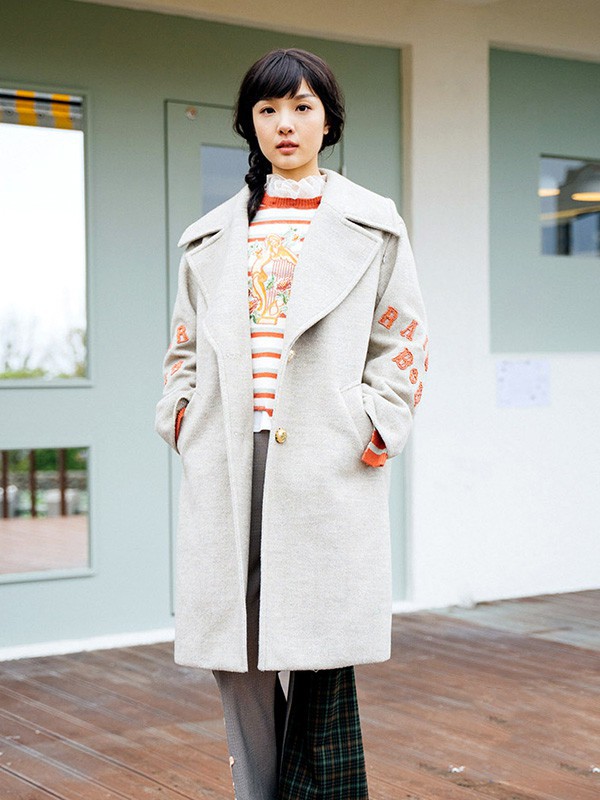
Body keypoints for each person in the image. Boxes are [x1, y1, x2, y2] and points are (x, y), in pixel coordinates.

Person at [155, 47, 428, 800]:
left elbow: (403, 338)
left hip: (326, 454)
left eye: (302, 107)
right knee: (235, 649)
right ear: (249, 122)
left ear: (327, 121)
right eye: (269, 109)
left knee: (315, 645)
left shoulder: (373, 224)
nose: (285, 123)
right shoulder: (209, 236)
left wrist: (376, 421)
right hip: (228, 453)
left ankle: (314, 790)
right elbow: (182, 350)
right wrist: (182, 419)